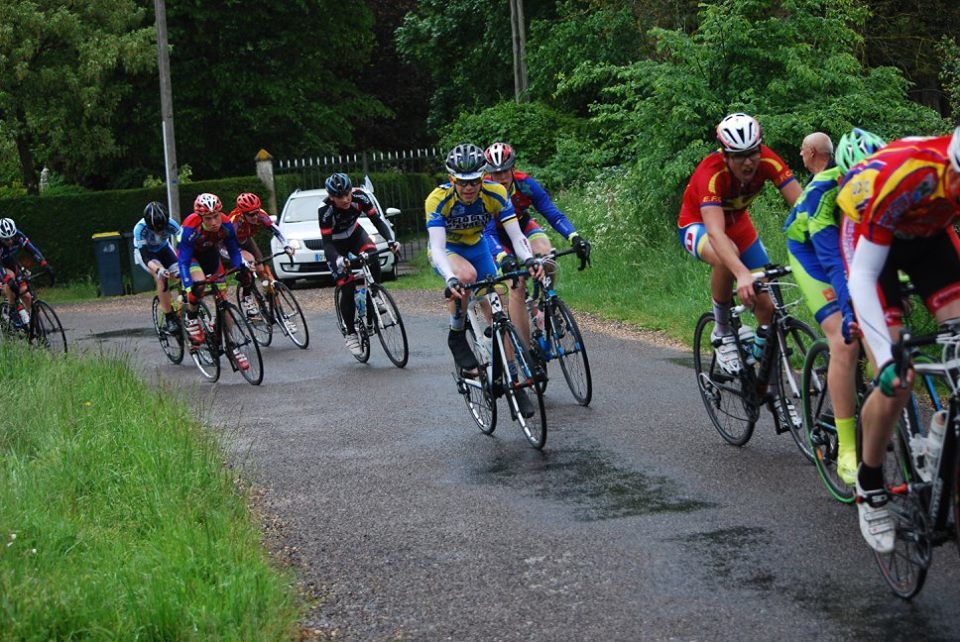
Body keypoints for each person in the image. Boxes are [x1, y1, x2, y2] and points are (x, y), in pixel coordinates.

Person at [837, 127, 960, 554]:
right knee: (897, 377)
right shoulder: (911, 174)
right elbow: (864, 276)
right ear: (953, 168)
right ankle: (870, 485)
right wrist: (886, 359)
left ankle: (945, 428)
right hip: (872, 237)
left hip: (930, 237)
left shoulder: (949, 182)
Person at [783, 128, 885, 484]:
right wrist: (850, 312)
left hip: (851, 251)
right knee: (845, 341)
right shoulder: (822, 193)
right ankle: (846, 447)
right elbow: (833, 264)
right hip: (810, 255)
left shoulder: (883, 183)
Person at [677, 112, 801, 378]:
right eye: (738, 156)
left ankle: (755, 359)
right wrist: (741, 274)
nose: (748, 162)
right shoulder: (710, 174)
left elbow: (802, 206)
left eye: (753, 153)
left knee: (766, 306)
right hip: (697, 225)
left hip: (739, 226)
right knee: (726, 255)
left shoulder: (767, 159)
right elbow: (716, 234)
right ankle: (721, 332)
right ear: (725, 155)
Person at [426, 143, 541, 417]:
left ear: (483, 177)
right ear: (452, 179)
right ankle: (456, 335)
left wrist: (530, 260)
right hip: (450, 251)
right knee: (467, 278)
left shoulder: (496, 192)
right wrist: (451, 278)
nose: (469, 188)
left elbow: (516, 236)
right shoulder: (438, 199)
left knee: (499, 315)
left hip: (477, 248)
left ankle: (514, 382)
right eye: (462, 183)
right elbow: (438, 248)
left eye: (475, 181)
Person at [483, 141, 591, 346]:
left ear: (513, 168)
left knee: (547, 257)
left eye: (506, 171)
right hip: (496, 236)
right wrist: (502, 257)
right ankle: (524, 348)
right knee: (517, 284)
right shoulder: (484, 191)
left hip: (522, 227)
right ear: (489, 174)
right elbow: (487, 232)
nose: (502, 177)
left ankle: (546, 305)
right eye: (496, 174)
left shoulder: (526, 184)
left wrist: (575, 237)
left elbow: (552, 214)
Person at [319, 172, 399, 357]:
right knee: (347, 289)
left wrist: (390, 240)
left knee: (372, 255)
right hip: (335, 245)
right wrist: (338, 259)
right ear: (331, 197)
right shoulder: (325, 211)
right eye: (340, 197)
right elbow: (327, 243)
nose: (346, 199)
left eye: (347, 193)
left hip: (355, 234)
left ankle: (375, 294)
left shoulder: (360, 196)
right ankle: (351, 333)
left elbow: (377, 220)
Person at [177, 193, 253, 369]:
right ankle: (192, 319)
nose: (213, 222)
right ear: (201, 217)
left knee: (223, 301)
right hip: (192, 258)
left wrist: (240, 268)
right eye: (208, 218)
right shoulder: (190, 226)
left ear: (220, 213)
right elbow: (183, 260)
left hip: (211, 255)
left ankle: (232, 346)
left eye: (216, 216)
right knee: (200, 285)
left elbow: (234, 251)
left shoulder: (226, 224)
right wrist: (188, 283)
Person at [227, 192, 293, 318]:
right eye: (251, 215)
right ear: (242, 213)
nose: (255, 216)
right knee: (249, 264)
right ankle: (246, 296)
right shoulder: (234, 221)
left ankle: (265, 294)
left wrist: (286, 245)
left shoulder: (260, 214)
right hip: (232, 245)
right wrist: (242, 261)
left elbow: (275, 229)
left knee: (261, 269)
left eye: (256, 212)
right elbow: (228, 246)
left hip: (247, 239)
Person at [133, 201, 182, 333]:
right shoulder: (140, 229)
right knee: (161, 276)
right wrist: (158, 270)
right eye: (155, 229)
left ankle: (182, 306)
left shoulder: (172, 223)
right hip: (147, 253)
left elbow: (185, 243)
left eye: (162, 227)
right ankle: (169, 317)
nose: (159, 231)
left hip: (164, 248)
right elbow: (145, 257)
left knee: (182, 274)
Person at [0, 217, 51, 329]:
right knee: (11, 280)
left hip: (10, 263)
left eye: (11, 238)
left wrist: (44, 263)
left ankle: (36, 330)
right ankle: (11, 310)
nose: (10, 241)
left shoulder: (18, 236)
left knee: (26, 295)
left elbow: (32, 250)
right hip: (1, 267)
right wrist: (7, 280)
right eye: (6, 239)